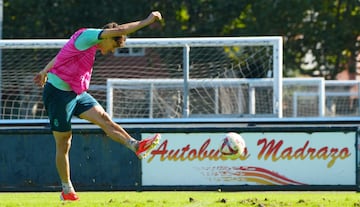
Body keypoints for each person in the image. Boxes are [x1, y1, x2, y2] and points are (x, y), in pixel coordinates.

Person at [33, 11, 162, 201]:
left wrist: (44, 70)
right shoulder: (89, 36)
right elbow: (122, 29)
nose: (109, 51)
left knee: (104, 118)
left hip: (76, 93)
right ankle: (67, 189)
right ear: (109, 36)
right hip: (58, 94)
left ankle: (136, 146)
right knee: (64, 142)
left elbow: (61, 55)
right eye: (112, 45)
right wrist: (148, 20)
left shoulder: (90, 43)